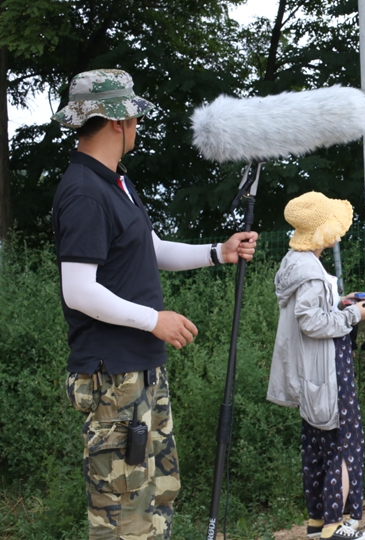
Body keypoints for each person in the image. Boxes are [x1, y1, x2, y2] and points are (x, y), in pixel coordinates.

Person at [51, 69, 258, 539]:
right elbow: (78, 290)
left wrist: (218, 252)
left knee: (154, 499)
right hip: (113, 377)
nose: (137, 126)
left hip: (140, 370)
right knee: (123, 514)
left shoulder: (115, 182)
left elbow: (151, 247)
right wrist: (153, 321)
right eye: (134, 117)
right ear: (117, 121)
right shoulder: (84, 192)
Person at [268, 191, 365, 540]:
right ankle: (334, 525)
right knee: (345, 442)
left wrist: (339, 303)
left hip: (313, 371)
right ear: (322, 231)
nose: (339, 232)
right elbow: (311, 322)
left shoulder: (296, 262)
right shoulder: (311, 273)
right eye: (334, 226)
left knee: (318, 443)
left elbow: (312, 310)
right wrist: (352, 315)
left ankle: (318, 521)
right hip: (326, 371)